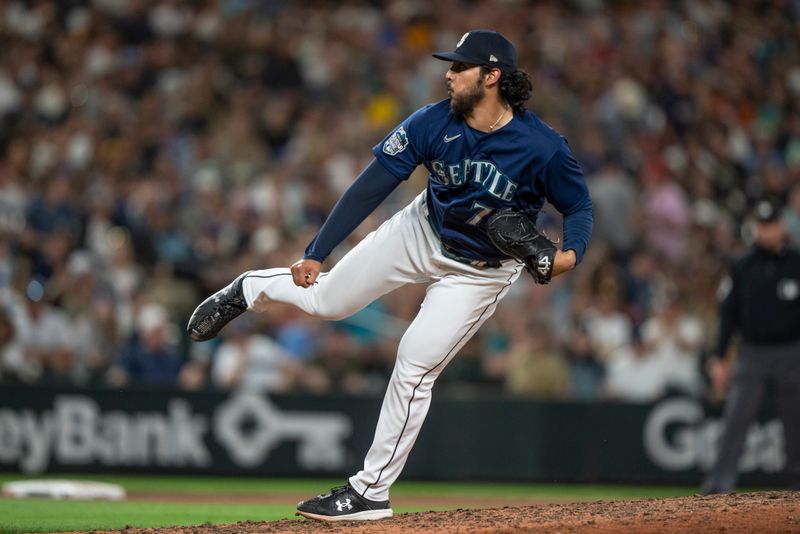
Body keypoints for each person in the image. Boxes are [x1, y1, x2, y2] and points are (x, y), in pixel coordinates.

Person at [187, 29, 592, 521]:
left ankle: (368, 492)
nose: (448, 73)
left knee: (415, 363)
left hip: (480, 272)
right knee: (327, 301)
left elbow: (577, 206)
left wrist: (569, 256)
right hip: (422, 229)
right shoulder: (432, 121)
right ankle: (251, 288)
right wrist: (317, 251)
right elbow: (370, 186)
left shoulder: (542, 147)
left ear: (492, 77)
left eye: (460, 67)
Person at [700, 196, 800, 495]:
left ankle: (798, 484)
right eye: (761, 225)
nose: (765, 231)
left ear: (782, 225)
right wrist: (719, 356)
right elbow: (727, 314)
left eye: (771, 224)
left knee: (796, 424)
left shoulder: (797, 263)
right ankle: (720, 483)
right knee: (736, 420)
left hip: (792, 353)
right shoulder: (742, 265)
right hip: (752, 353)